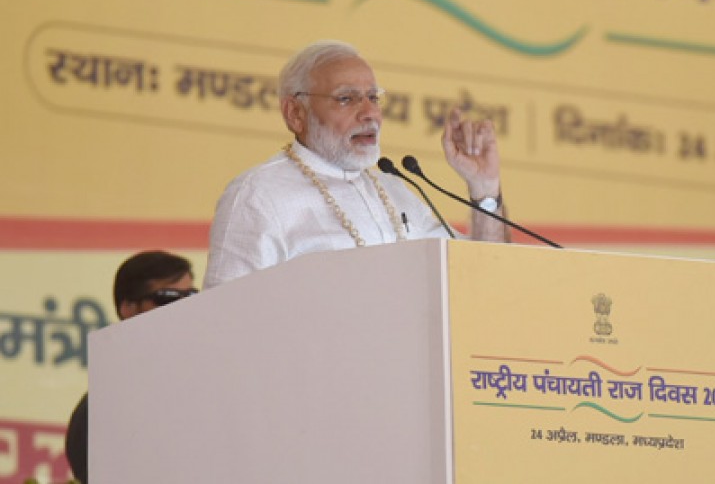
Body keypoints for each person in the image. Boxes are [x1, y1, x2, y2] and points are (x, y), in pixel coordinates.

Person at [204, 40, 508, 288]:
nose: (369, 114)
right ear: (295, 113)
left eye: (373, 98)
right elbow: (223, 320)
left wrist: (484, 188)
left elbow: (483, 274)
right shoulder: (258, 195)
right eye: (346, 99)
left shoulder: (395, 190)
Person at [65, 251, 197, 484]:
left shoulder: (203, 387)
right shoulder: (99, 409)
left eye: (191, 296)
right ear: (128, 307)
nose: (184, 307)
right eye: (168, 297)